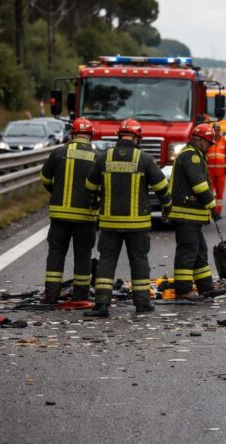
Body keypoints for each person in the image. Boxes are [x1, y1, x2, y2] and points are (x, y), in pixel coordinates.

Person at [83, 118, 171, 317]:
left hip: (109, 222)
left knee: (106, 261)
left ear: (119, 136)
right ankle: (142, 304)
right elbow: (161, 187)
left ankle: (102, 305)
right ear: (137, 138)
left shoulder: (105, 157)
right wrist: (167, 207)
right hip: (137, 223)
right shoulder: (145, 159)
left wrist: (95, 200)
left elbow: (90, 185)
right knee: (139, 261)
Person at [39, 117, 99, 304]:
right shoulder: (98, 156)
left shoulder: (58, 153)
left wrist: (55, 192)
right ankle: (81, 295)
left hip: (59, 216)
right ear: (90, 136)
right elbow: (102, 186)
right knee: (83, 255)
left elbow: (45, 178)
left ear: (72, 134)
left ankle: (51, 296)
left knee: (56, 254)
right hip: (85, 216)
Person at [168, 123, 219, 300]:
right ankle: (183, 290)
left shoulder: (194, 155)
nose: (209, 147)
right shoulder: (192, 157)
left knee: (199, 252)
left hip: (192, 216)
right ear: (199, 139)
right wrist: (212, 206)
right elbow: (199, 186)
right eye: (208, 143)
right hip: (186, 214)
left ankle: (206, 288)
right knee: (188, 252)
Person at [207, 122, 226, 218]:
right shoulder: (208, 141)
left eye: (218, 129)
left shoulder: (225, 141)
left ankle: (217, 213)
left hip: (221, 173)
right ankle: (211, 212)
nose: (216, 131)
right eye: (215, 129)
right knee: (210, 193)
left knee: (219, 194)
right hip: (210, 172)